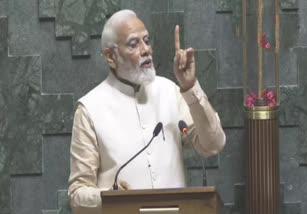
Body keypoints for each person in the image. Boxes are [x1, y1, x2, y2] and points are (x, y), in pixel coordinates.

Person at [68, 9, 226, 214]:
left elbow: (214, 144)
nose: (146, 50)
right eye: (134, 44)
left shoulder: (170, 91)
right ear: (110, 56)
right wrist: (107, 196)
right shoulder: (89, 109)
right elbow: (77, 194)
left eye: (147, 40)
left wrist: (190, 87)